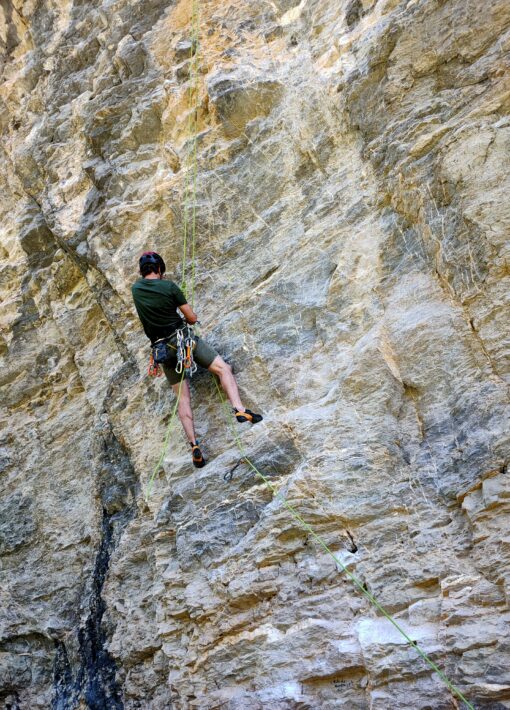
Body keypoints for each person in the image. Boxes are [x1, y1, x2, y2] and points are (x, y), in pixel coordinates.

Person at [131, 251, 263, 468]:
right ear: (160, 269)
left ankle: (194, 445)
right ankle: (239, 409)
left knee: (182, 399)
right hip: (183, 340)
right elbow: (191, 318)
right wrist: (185, 317)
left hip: (161, 350)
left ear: (142, 271)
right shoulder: (170, 287)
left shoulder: (136, 290)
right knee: (223, 369)